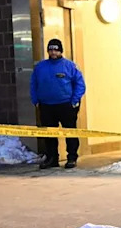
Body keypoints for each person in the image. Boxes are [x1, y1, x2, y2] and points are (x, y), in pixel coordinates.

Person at [30, 38, 86, 169]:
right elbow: (33, 84)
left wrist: (74, 100)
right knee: (49, 134)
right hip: (46, 106)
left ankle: (71, 157)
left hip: (66, 105)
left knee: (70, 132)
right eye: (50, 50)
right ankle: (52, 158)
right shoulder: (40, 67)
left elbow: (80, 84)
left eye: (56, 50)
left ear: (60, 51)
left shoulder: (70, 66)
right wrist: (35, 100)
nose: (53, 52)